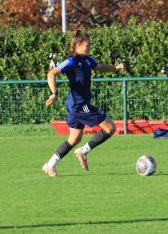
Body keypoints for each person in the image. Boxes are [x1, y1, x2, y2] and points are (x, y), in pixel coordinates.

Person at [42, 30, 125, 177]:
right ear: (77, 45)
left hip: (75, 105)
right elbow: (51, 73)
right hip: (80, 105)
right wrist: (54, 93)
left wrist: (115, 68)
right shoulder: (71, 61)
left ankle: (50, 164)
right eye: (87, 45)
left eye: (90, 45)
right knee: (110, 128)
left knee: (74, 139)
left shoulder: (87, 60)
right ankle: (83, 151)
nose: (89, 47)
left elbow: (99, 67)